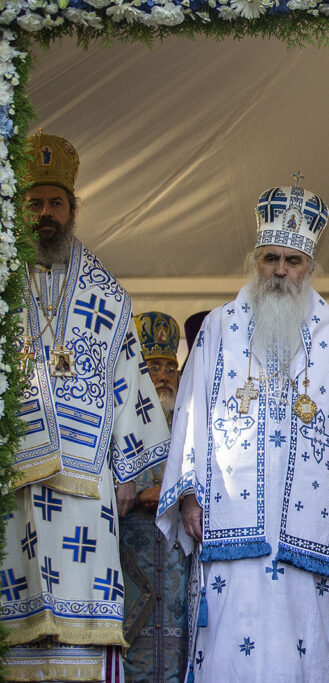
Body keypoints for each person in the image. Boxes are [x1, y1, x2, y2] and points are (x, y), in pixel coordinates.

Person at [156, 180, 329, 682]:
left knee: (299, 639)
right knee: (230, 638)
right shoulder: (219, 327)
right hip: (228, 517)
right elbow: (191, 413)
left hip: (308, 522)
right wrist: (189, 495)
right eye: (270, 259)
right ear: (255, 261)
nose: (280, 270)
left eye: (293, 260)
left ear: (309, 266)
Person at [0, 133, 170, 681]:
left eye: (56, 203)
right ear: (18, 208)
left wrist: (128, 472)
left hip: (86, 483)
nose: (45, 214)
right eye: (35, 203)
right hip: (14, 480)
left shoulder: (106, 293)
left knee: (83, 611)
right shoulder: (2, 284)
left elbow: (128, 382)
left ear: (72, 209)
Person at [120, 311, 189, 682]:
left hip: (179, 569)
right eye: (153, 367)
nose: (163, 376)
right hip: (132, 568)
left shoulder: (193, 427)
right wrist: (140, 496)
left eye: (170, 367)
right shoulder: (119, 426)